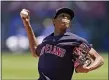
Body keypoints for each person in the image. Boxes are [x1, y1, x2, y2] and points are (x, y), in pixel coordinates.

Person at [20, 8, 104, 80]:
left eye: (68, 18)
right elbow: (35, 51)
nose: (66, 18)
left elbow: (99, 59)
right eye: (62, 16)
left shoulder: (75, 40)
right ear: (54, 21)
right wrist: (27, 24)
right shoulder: (47, 40)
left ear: (69, 24)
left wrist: (88, 68)